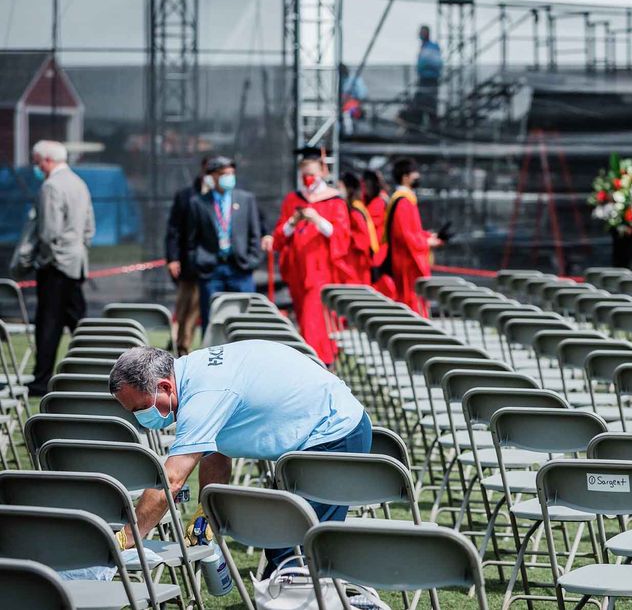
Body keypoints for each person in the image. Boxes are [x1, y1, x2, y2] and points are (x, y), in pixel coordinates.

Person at [107, 342, 371, 575]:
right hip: (316, 435)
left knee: (298, 551)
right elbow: (215, 451)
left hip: (335, 435)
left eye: (141, 408)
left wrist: (126, 539)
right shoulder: (190, 374)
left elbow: (170, 481)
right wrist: (205, 511)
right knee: (285, 546)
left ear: (164, 386)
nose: (140, 418)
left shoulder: (203, 396)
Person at [26, 140, 95, 396]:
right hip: (75, 261)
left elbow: (48, 231)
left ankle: (41, 379)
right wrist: (78, 248)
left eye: (36, 160)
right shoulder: (79, 183)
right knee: (79, 321)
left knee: (49, 323)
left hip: (55, 265)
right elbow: (89, 225)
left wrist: (45, 258)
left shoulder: (51, 186)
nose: (35, 166)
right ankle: (91, 372)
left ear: (46, 159)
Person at [272, 155, 351, 364]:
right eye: (305, 174)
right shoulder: (293, 200)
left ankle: (319, 362)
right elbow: (280, 237)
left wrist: (317, 219)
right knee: (304, 317)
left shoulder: (334, 201)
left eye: (312, 174)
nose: (308, 179)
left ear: (323, 172)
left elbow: (341, 237)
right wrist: (293, 221)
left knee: (314, 320)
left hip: (322, 271)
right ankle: (315, 360)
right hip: (298, 271)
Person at [185, 156, 263, 331]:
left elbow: (254, 233)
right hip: (211, 270)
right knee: (212, 318)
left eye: (231, 173)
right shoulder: (198, 203)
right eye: (223, 174)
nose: (228, 177)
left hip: (240, 268)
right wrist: (197, 263)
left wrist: (252, 261)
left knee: (246, 318)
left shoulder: (246, 199)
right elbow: (190, 239)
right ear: (212, 176)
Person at [379, 159, 441, 316]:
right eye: (415, 173)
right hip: (407, 264)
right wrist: (427, 242)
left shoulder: (405, 199)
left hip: (406, 261)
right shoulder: (403, 201)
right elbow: (406, 236)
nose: (418, 176)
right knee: (411, 305)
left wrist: (427, 236)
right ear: (405, 177)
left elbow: (412, 231)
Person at [165, 156, 211, 355]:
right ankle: (182, 350)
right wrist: (173, 257)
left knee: (209, 311)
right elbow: (173, 230)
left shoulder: (229, 197)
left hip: (216, 265)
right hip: (191, 265)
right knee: (186, 310)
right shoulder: (186, 196)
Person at [340, 172, 377, 285]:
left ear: (349, 189)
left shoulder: (355, 211)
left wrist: (343, 233)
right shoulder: (358, 207)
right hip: (358, 264)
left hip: (357, 265)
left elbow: (363, 240)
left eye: (340, 187)